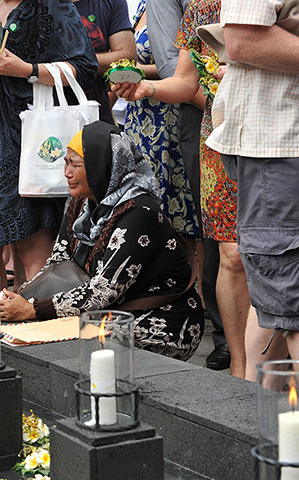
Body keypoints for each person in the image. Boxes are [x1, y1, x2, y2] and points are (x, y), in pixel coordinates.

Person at [1, 122, 204, 361]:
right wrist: (20, 300)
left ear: (102, 167)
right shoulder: (82, 201)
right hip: (107, 311)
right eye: (66, 163)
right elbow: (59, 261)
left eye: (74, 165)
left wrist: (33, 308)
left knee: (67, 346)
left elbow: (104, 291)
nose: (66, 173)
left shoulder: (140, 212)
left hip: (159, 320)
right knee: (19, 330)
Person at [0, 0, 97, 289]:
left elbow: (85, 68)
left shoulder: (51, 5)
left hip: (34, 135)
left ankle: (33, 329)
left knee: (32, 248)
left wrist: (27, 70)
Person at [205, 0, 299, 362]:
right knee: (287, 296)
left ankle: (256, 413)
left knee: (278, 300)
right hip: (281, 147)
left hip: (282, 146)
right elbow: (242, 38)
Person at [145, 0, 227, 371]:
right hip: (205, 115)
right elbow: (177, 72)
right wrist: (146, 88)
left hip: (274, 117)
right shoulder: (200, 6)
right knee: (220, 239)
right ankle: (229, 340)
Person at [123, 0, 201, 238]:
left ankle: (196, 271)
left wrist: (136, 72)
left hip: (171, 112)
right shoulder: (138, 8)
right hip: (142, 114)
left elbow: (174, 66)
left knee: (185, 211)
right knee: (149, 204)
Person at [72, 0, 136, 123]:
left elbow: (127, 57)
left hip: (96, 118)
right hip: (43, 113)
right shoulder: (36, 4)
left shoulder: (110, 2)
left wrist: (73, 62)